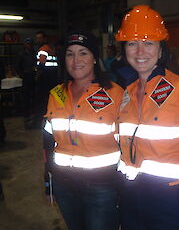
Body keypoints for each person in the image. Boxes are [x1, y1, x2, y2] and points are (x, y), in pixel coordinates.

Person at [115, 5, 179, 230]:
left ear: (161, 48)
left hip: (172, 199)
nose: (140, 52)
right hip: (130, 195)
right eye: (132, 43)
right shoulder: (126, 93)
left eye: (148, 43)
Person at [43, 31, 123, 230]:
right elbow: (48, 139)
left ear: (95, 58)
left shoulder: (115, 94)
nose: (76, 60)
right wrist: (48, 180)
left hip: (102, 185)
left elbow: (130, 143)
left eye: (83, 53)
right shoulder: (57, 94)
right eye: (70, 54)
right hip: (64, 184)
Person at [33, 31, 59, 128]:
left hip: (44, 78)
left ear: (44, 39)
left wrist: (36, 77)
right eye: (37, 38)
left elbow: (41, 65)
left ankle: (38, 122)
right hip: (53, 77)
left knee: (41, 101)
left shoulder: (43, 49)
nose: (38, 40)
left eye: (40, 38)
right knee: (49, 100)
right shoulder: (51, 49)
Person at [16, 37, 36, 128]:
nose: (29, 45)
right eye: (27, 43)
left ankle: (33, 114)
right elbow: (17, 66)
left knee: (34, 96)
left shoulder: (34, 53)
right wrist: (22, 75)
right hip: (26, 76)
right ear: (25, 44)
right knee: (26, 96)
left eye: (30, 43)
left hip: (34, 76)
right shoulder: (21, 54)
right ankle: (26, 115)